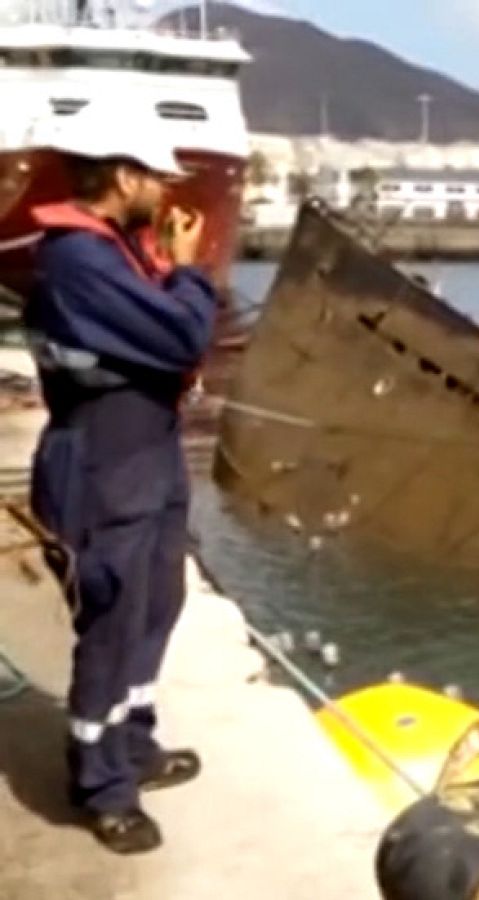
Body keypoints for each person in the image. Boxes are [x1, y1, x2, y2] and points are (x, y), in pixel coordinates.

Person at [24, 126, 217, 854]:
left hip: (149, 453)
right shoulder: (78, 260)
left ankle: (133, 743)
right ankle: (100, 784)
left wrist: (169, 265)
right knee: (110, 621)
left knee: (155, 603)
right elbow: (182, 339)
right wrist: (191, 273)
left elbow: (158, 328)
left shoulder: (118, 252)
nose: (168, 191)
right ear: (125, 176)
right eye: (159, 177)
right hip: (103, 461)